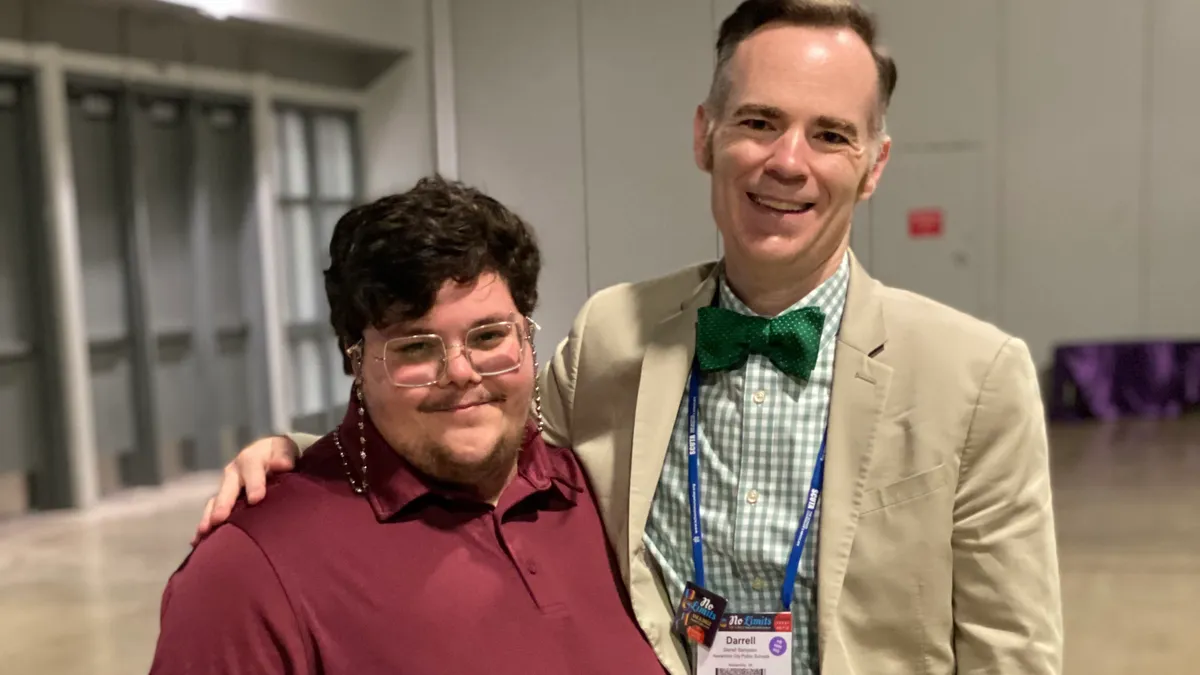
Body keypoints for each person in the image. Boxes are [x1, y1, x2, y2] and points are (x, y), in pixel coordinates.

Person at [195, 1, 1063, 673]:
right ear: (705, 135)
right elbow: (481, 427)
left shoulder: (976, 375)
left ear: (873, 165)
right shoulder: (615, 332)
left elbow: (1011, 647)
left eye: (830, 134)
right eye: (759, 121)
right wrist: (308, 459)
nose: (788, 161)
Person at [150, 177, 668, 675]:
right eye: (416, 347)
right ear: (356, 360)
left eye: (489, 337)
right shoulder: (249, 571)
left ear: (528, 340)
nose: (462, 373)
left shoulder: (599, 497)